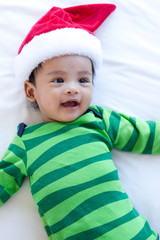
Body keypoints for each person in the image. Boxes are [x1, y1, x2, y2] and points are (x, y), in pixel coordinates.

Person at [0, 4, 159, 240]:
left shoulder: (97, 119)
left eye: (83, 80)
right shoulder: (27, 143)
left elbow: (145, 135)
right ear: (31, 92)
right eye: (58, 80)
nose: (73, 89)